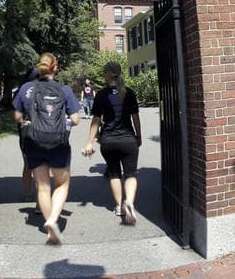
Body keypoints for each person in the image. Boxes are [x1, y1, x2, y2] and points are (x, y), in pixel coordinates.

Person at [12, 53, 80, 244]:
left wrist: (28, 120)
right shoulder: (64, 89)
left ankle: (49, 225)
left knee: (42, 186)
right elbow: (75, 120)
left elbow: (17, 116)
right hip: (58, 143)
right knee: (62, 184)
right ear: (54, 67)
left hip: (34, 142)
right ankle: (52, 219)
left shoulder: (26, 89)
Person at [82, 61, 141, 225]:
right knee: (130, 174)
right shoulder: (129, 92)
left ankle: (118, 206)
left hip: (109, 140)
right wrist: (139, 136)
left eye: (103, 72)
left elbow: (95, 120)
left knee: (115, 174)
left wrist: (89, 143)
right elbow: (135, 117)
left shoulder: (101, 94)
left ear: (108, 74)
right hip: (128, 139)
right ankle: (129, 202)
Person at [13, 67, 39, 202]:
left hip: (26, 131)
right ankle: (42, 200)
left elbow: (17, 116)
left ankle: (28, 194)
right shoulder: (48, 88)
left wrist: (24, 121)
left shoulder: (21, 89)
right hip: (45, 131)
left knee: (28, 165)